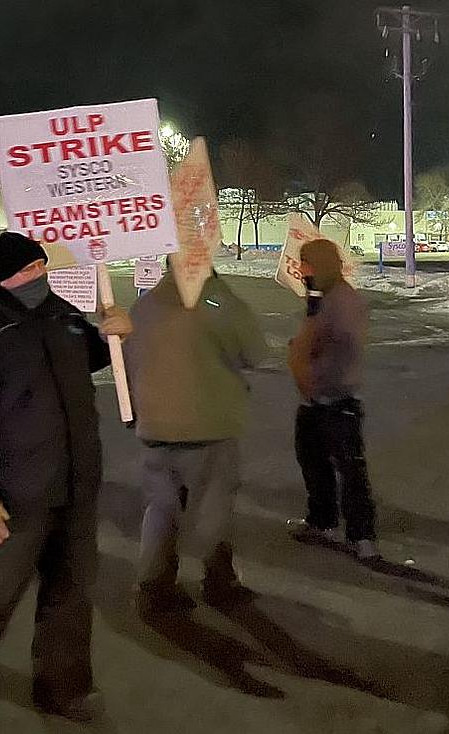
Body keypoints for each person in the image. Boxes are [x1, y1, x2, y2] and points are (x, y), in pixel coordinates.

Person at [0, 232, 132, 721]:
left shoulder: (63, 317)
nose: (39, 276)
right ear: (0, 281)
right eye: (27, 271)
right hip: (13, 496)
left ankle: (63, 691)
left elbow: (87, 359)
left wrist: (109, 335)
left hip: (76, 490)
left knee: (71, 598)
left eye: (41, 266)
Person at [124, 264, 268, 614]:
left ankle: (154, 585)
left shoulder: (142, 307)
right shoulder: (216, 303)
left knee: (160, 509)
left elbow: (128, 363)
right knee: (212, 510)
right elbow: (256, 351)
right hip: (207, 426)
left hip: (154, 426)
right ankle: (219, 582)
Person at [287, 238, 378, 560]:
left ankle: (362, 535)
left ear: (320, 264)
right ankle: (322, 519)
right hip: (313, 400)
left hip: (339, 401)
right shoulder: (319, 296)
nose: (300, 270)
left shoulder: (343, 300)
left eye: (305, 263)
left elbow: (343, 345)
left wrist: (307, 348)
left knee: (350, 470)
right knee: (313, 462)